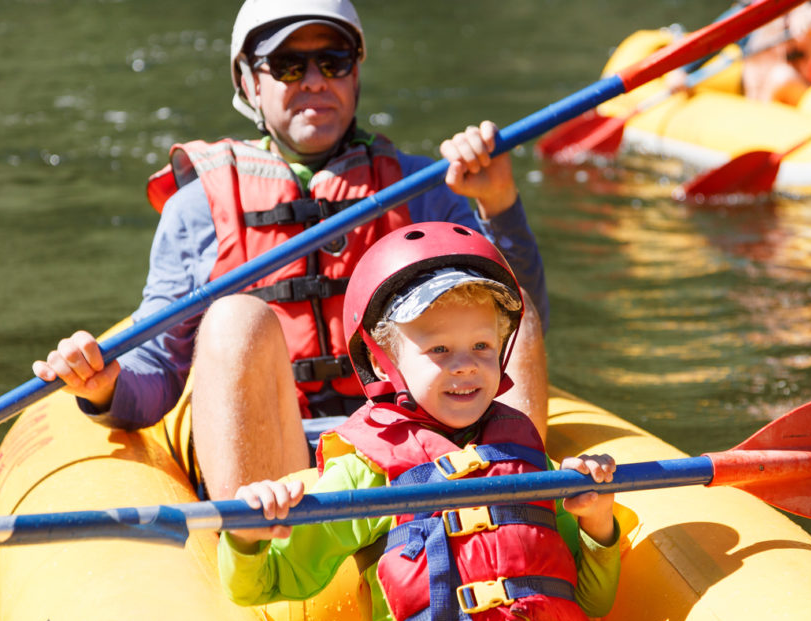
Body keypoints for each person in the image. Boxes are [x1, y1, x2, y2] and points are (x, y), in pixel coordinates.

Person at [31, 0, 551, 500]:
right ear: (249, 82)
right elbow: (160, 372)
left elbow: (518, 329)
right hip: (274, 461)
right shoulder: (197, 208)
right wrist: (104, 385)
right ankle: (258, 552)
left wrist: (499, 204)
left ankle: (519, 507)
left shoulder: (426, 188)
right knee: (236, 319)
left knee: (503, 293)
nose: (315, 80)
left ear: (355, 73)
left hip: (413, 440)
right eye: (286, 65)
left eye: (334, 60)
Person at [219, 222, 620, 621]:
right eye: (440, 349)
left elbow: (594, 602)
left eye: (482, 345)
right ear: (381, 361)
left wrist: (597, 522)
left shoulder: (528, 459)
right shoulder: (367, 472)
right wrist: (247, 538)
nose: (465, 363)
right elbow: (269, 582)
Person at [742, 1, 811, 105]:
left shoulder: (809, 15)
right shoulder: (760, 39)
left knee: (783, 76)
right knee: (782, 76)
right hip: (770, 105)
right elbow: (754, 93)